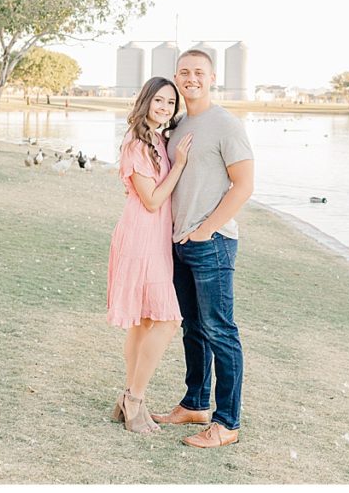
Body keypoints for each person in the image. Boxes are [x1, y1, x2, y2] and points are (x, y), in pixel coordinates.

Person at [150, 50, 254, 449]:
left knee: (220, 331)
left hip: (212, 243)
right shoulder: (177, 123)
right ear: (176, 77)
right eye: (184, 72)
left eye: (199, 72)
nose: (191, 78)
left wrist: (204, 231)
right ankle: (195, 403)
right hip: (179, 243)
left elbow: (243, 185)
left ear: (212, 78)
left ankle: (226, 422)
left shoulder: (226, 124)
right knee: (192, 329)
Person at [107, 77, 194, 433]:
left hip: (155, 239)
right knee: (169, 320)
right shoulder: (136, 143)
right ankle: (135, 399)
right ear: (145, 100)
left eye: (170, 103)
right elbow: (153, 199)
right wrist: (181, 165)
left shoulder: (157, 137)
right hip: (140, 238)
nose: (164, 107)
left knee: (145, 322)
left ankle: (127, 399)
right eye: (159, 100)